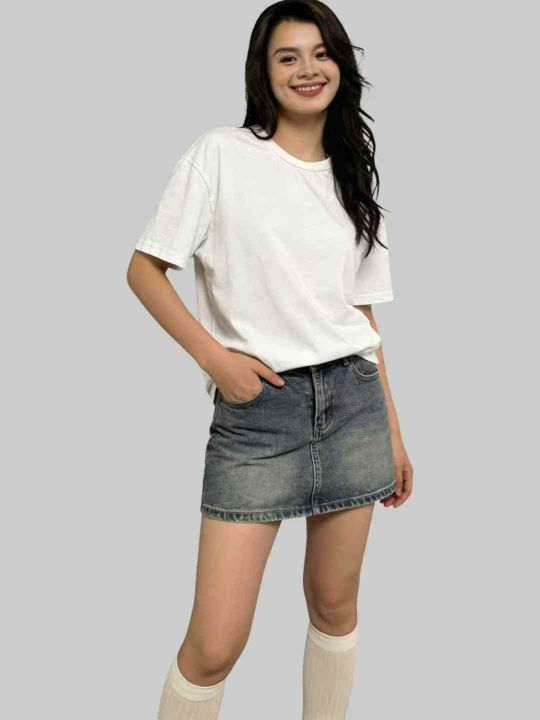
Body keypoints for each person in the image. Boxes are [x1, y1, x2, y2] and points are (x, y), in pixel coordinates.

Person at [127, 1, 414, 717]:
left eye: (322, 53)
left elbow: (361, 318)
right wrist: (216, 359)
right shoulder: (221, 155)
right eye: (288, 56)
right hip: (259, 417)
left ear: (341, 65)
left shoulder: (354, 177)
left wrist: (394, 432)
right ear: (263, 71)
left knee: (334, 604)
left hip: (354, 407)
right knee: (215, 643)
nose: (307, 69)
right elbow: (143, 269)